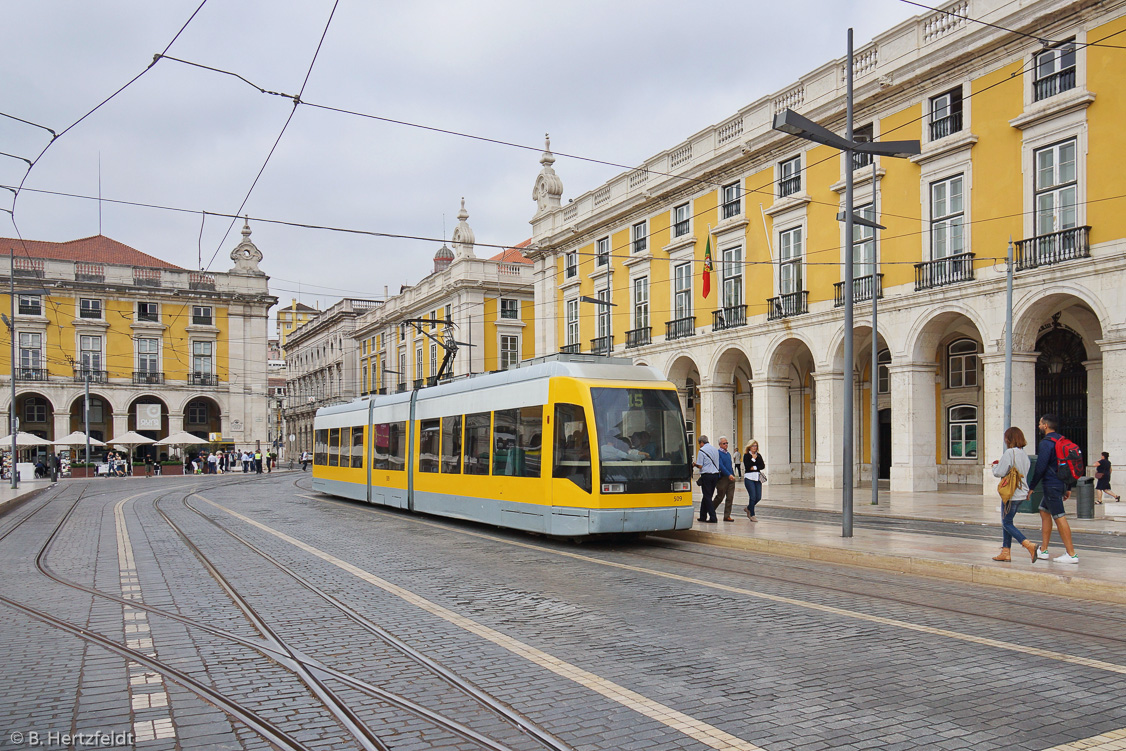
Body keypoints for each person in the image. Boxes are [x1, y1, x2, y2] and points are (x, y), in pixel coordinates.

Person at [1027, 414, 1079, 564]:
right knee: (1044, 510)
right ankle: (1043, 550)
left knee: (1059, 516)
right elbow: (1067, 464)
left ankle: (1071, 554)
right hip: (1060, 483)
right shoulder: (1062, 440)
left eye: (1040, 423)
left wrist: (1031, 486)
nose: (1038, 426)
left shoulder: (1046, 443)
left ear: (1046, 425)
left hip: (1051, 484)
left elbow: (1041, 466)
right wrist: (1067, 486)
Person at [991, 427, 1038, 563]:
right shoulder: (1024, 454)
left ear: (1009, 439)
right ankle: (1006, 552)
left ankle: (1028, 545)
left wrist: (994, 466)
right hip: (1021, 493)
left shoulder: (1010, 453)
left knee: (1006, 523)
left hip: (1011, 493)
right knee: (1008, 521)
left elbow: (999, 472)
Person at [693, 435, 721, 523]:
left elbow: (700, 465)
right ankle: (702, 516)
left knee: (707, 496)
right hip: (715, 475)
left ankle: (713, 517)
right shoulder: (715, 450)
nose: (699, 445)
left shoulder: (702, 451)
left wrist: (695, 464)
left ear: (701, 442)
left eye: (699, 443)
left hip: (707, 475)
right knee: (707, 496)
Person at [742, 440, 766, 521]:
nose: (754, 448)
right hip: (749, 478)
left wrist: (754, 467)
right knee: (752, 496)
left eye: (755, 446)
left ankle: (748, 508)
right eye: (753, 446)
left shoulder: (758, 455)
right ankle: (752, 514)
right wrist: (753, 460)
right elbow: (748, 466)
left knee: (758, 497)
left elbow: (762, 465)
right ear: (749, 447)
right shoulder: (746, 455)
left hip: (757, 477)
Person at [714, 437, 737, 522]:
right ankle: (710, 510)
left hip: (731, 478)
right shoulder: (718, 453)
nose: (726, 445)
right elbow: (721, 466)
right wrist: (728, 474)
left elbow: (729, 465)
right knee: (720, 497)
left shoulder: (728, 454)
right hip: (723, 478)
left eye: (727, 443)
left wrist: (732, 474)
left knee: (730, 497)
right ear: (720, 444)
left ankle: (727, 515)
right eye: (724, 443)